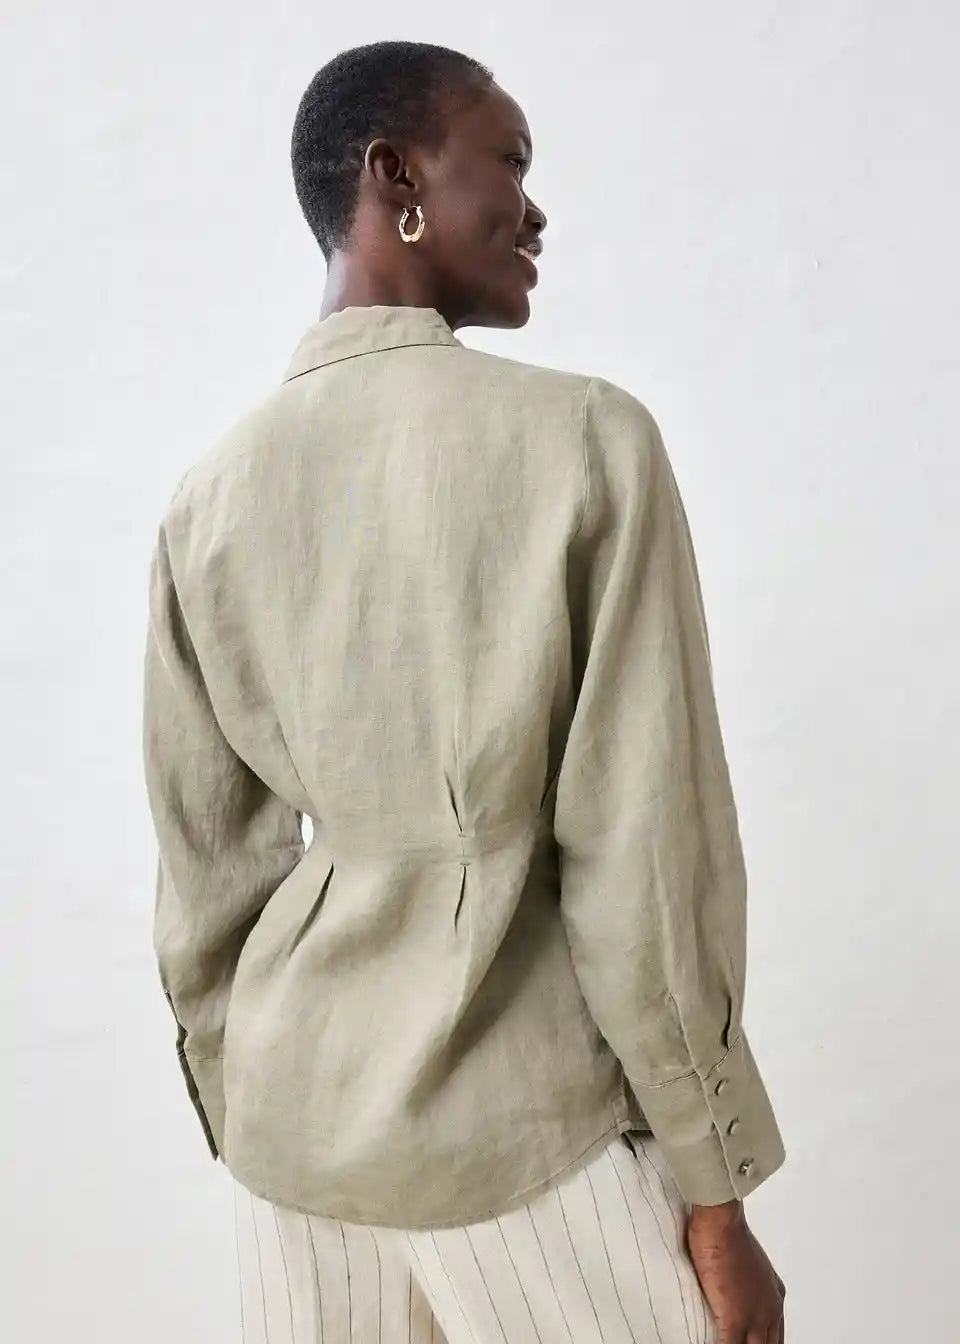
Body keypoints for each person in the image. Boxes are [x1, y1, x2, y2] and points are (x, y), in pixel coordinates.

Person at [141, 38, 788, 1344]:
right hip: (523, 1132)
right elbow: (643, 852)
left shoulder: (209, 499)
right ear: (396, 175)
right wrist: (715, 1191)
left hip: (294, 1149)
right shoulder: (587, 440)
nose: (535, 212)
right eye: (511, 162)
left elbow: (206, 876)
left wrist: (242, 1099)